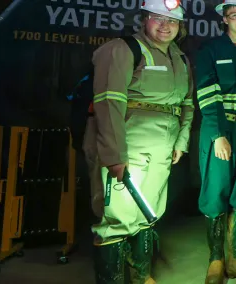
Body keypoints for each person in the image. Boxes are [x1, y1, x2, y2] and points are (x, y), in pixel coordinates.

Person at [83, 0, 193, 283]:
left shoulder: (180, 58)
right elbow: (108, 105)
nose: (165, 25)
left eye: (172, 21)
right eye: (158, 18)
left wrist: (181, 142)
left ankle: (142, 275)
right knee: (117, 220)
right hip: (127, 148)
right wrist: (115, 155)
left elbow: (187, 105)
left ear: (180, 26)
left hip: (163, 149)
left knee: (149, 212)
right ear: (144, 19)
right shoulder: (123, 49)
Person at [194, 0, 236, 283]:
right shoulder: (210, 51)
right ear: (224, 20)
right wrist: (217, 135)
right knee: (215, 194)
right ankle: (216, 260)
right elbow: (207, 95)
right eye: (233, 15)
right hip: (220, 132)